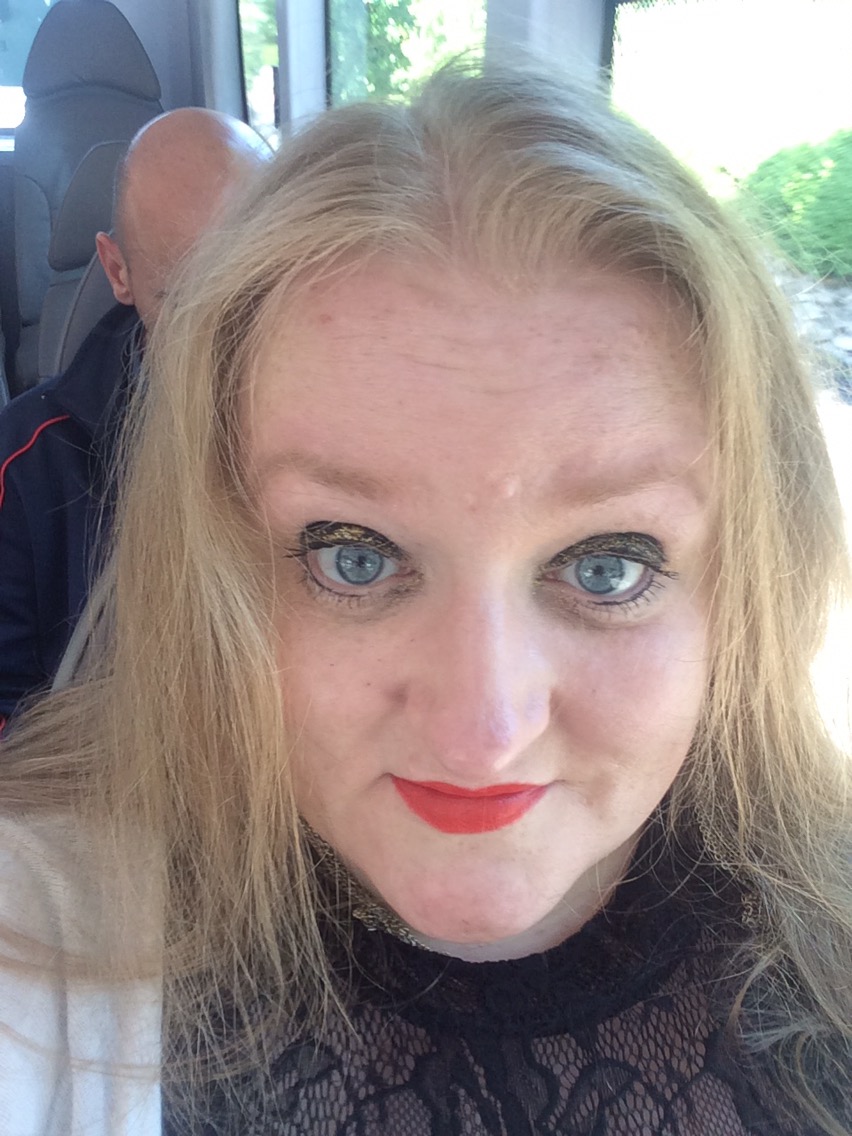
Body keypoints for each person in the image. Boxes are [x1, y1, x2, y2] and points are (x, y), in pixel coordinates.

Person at [0, 61, 850, 1136]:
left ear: (747, 587)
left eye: (609, 565)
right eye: (352, 557)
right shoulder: (40, 942)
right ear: (215, 567)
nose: (480, 735)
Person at [0, 108, 268, 732]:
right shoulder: (27, 465)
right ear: (118, 272)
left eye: (258, 284)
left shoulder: (351, 427)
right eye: (189, 299)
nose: (230, 333)